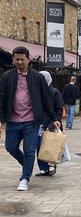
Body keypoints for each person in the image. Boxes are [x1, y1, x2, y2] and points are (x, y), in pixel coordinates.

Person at [0, 46, 60, 191]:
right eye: (17, 59)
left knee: (30, 150)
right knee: (10, 146)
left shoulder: (38, 78)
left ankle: (25, 178)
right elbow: (2, 98)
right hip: (13, 120)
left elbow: (46, 100)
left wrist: (54, 118)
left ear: (28, 59)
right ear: (13, 59)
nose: (19, 62)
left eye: (22, 59)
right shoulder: (7, 77)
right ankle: (27, 164)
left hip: (31, 121)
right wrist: (2, 120)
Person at [35, 70, 63, 177]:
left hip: (51, 122)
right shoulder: (36, 91)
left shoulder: (54, 92)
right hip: (39, 122)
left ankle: (51, 165)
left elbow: (58, 108)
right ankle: (43, 168)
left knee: (50, 145)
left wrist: (55, 120)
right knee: (38, 145)